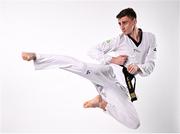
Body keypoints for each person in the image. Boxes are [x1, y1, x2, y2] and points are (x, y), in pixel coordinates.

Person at [22, 8, 157, 129]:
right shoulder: (119, 39)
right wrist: (113, 59)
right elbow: (92, 51)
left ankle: (102, 104)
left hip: (122, 86)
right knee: (81, 66)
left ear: (134, 20)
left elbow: (150, 65)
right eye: (119, 24)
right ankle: (38, 56)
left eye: (125, 22)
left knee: (134, 123)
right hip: (108, 73)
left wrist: (138, 68)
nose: (121, 27)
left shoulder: (150, 38)